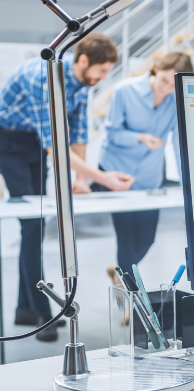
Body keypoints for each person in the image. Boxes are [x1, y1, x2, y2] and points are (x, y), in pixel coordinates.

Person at [0, 34, 134, 342]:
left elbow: (79, 131)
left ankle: (25, 309)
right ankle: (41, 315)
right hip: (7, 142)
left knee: (35, 225)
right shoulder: (43, 79)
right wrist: (104, 178)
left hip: (33, 143)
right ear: (83, 60)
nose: (103, 77)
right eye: (101, 70)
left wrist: (82, 179)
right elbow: (55, 147)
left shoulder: (81, 82)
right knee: (32, 226)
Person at [91, 52, 193, 279]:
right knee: (127, 239)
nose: (167, 89)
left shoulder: (176, 99)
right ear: (156, 69)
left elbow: (179, 143)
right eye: (165, 80)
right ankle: (130, 301)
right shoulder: (125, 91)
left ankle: (120, 273)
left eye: (173, 85)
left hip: (149, 177)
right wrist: (140, 138)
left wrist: (188, 183)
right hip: (117, 174)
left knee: (147, 239)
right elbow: (113, 134)